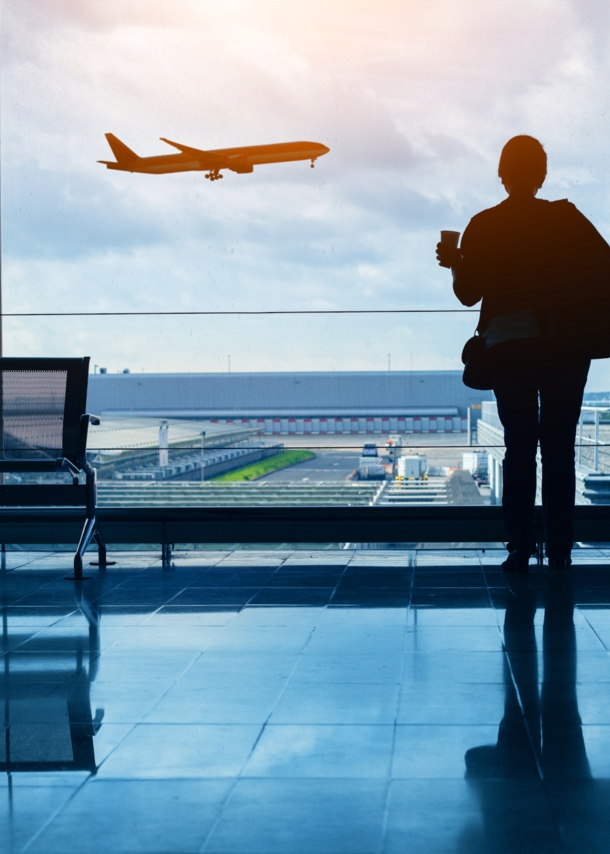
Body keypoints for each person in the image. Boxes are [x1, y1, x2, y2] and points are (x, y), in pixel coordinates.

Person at [436, 135, 610, 572]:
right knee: (558, 450)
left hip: (509, 347)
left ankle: (519, 547)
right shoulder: (566, 219)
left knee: (519, 447)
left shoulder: (484, 224)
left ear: (501, 173)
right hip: (565, 346)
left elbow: (466, 293)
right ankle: (560, 550)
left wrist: (456, 259)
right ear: (542, 174)